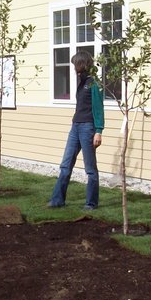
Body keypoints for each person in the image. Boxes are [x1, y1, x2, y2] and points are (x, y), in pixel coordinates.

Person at [48, 50, 105, 210]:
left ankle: (91, 203)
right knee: (66, 164)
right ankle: (57, 200)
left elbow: (98, 108)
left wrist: (98, 131)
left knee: (90, 169)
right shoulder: (81, 81)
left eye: (75, 64)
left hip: (88, 127)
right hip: (76, 126)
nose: (73, 68)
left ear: (82, 64)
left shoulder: (94, 83)